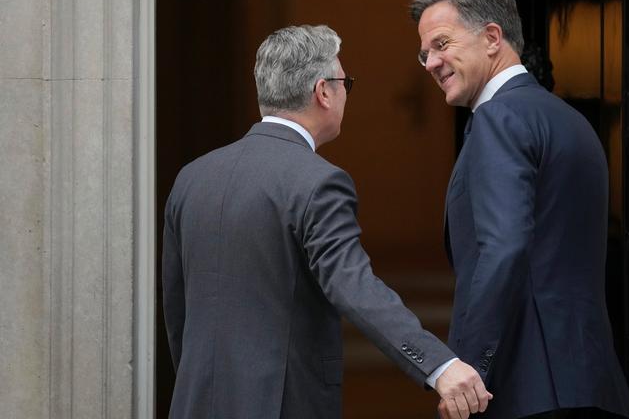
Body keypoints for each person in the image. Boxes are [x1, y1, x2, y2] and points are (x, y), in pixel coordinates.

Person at [161, 24, 491, 419]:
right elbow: (355, 287)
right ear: (323, 91)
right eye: (345, 83)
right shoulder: (317, 181)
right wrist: (439, 366)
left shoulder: (192, 177)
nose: (346, 93)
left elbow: (176, 308)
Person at [409, 0, 629, 418]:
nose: (431, 63)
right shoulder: (569, 120)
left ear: (492, 38)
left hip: (529, 388)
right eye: (425, 54)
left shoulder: (499, 117)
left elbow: (503, 248)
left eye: (441, 44)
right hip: (589, 381)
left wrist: (468, 372)